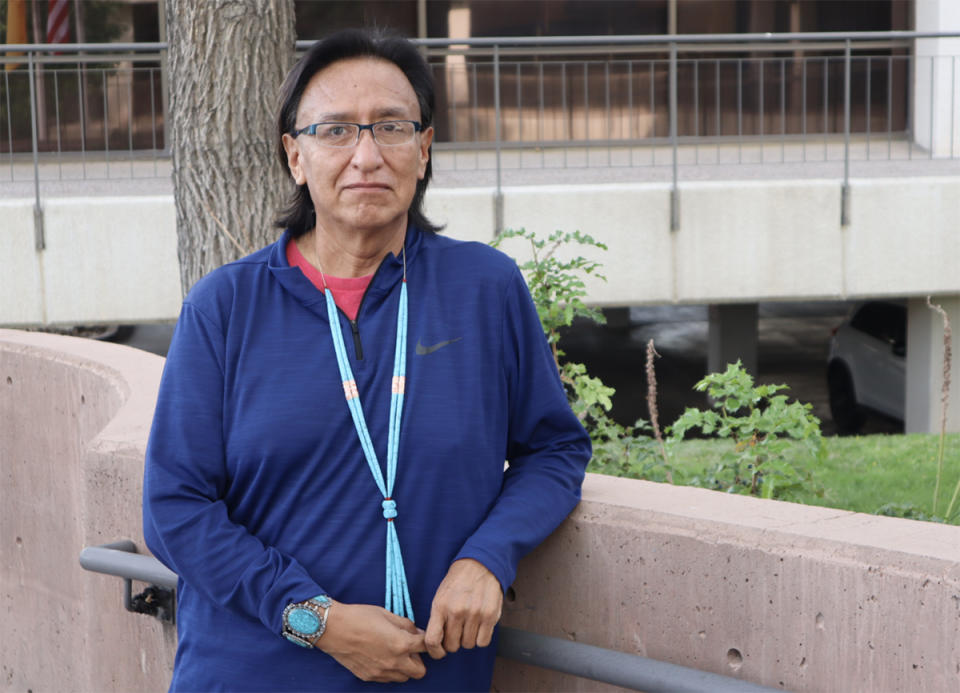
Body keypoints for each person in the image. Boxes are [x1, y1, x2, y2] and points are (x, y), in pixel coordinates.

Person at [143, 28, 591, 692]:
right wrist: (318, 621)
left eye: (391, 127)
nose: (367, 155)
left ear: (425, 147)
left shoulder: (484, 290)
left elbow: (554, 449)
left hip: (431, 673)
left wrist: (488, 558)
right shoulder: (226, 306)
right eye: (336, 131)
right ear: (295, 156)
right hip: (251, 674)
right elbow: (174, 506)